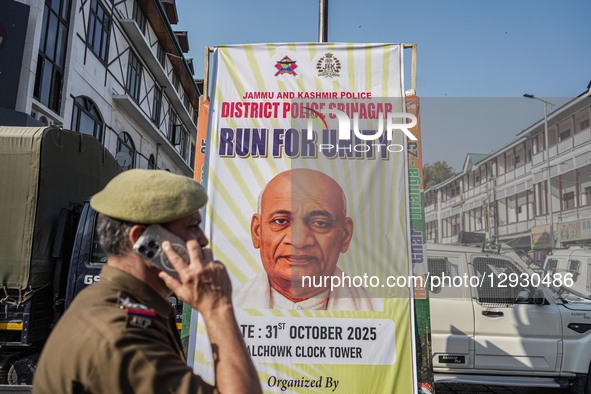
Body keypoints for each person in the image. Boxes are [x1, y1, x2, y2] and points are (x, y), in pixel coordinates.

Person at [33, 169, 262, 394]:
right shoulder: (123, 339)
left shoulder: (115, 304)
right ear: (143, 240)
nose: (202, 240)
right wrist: (217, 307)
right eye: (192, 227)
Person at [234, 168, 381, 311]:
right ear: (257, 232)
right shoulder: (221, 308)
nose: (298, 241)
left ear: (345, 235)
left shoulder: (384, 313)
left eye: (320, 223)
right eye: (280, 221)